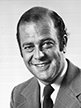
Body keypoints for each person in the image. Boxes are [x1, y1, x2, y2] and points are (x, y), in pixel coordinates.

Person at [10, 6, 81, 108]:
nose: (39, 55)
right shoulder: (17, 95)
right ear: (21, 50)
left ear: (63, 43)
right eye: (29, 47)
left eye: (47, 44)